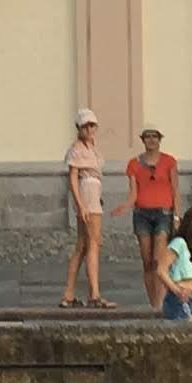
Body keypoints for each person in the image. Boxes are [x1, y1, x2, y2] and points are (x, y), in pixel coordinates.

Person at [58, 109, 112, 310]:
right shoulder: (78, 149)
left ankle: (69, 294)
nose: (89, 129)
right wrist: (81, 205)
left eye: (92, 125)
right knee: (93, 243)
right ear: (79, 128)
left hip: (93, 193)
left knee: (82, 245)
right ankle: (94, 294)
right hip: (87, 194)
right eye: (86, 126)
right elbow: (73, 177)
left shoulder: (92, 148)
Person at [127, 124, 179, 309]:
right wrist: (125, 205)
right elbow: (133, 191)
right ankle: (153, 303)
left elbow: (175, 189)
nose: (151, 140)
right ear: (142, 140)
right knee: (147, 261)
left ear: (159, 139)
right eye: (147, 136)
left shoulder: (169, 161)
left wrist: (177, 215)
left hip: (164, 213)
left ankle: (160, 302)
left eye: (154, 136)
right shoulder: (133, 163)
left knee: (159, 258)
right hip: (141, 213)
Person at [160, 204, 192, 321]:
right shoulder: (178, 243)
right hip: (177, 298)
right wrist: (176, 290)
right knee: (190, 326)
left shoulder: (188, 248)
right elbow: (161, 270)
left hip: (188, 298)